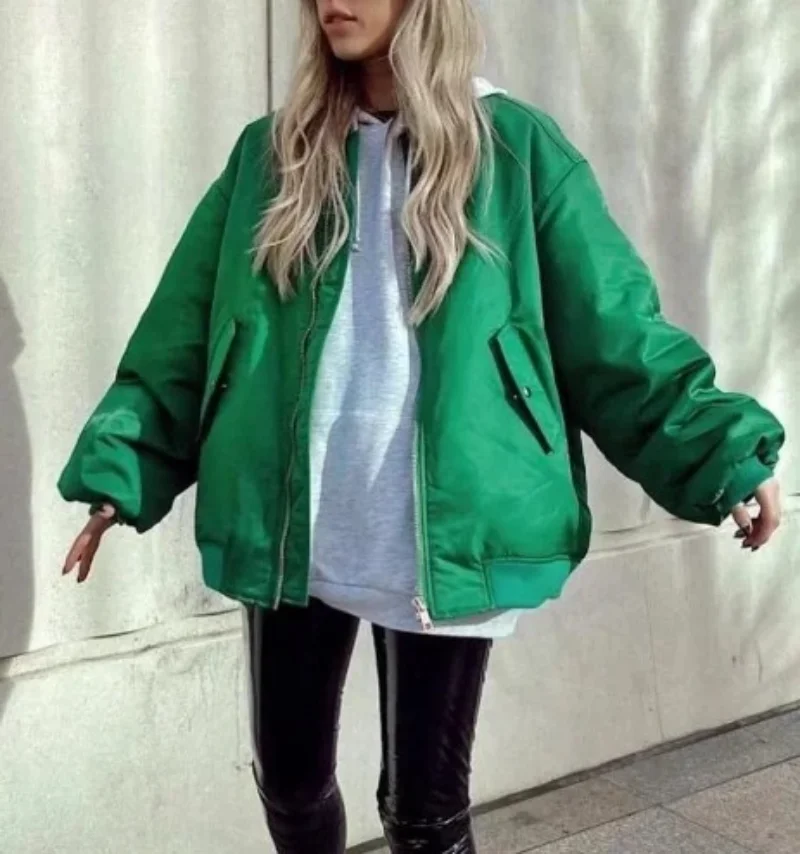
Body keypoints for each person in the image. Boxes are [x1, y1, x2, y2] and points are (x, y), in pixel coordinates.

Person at [58, 0, 785, 851]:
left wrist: (720, 452)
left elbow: (615, 333)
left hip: (446, 529)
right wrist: (121, 470)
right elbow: (182, 336)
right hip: (294, 520)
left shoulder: (516, 150)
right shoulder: (271, 154)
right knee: (289, 783)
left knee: (423, 813)